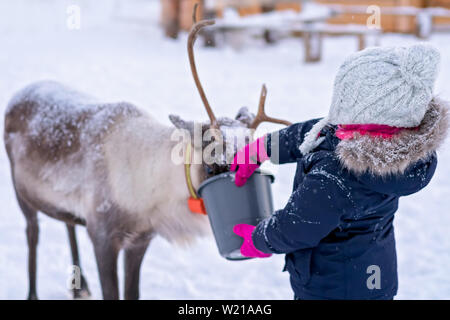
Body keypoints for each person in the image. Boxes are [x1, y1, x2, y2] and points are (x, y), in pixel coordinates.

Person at [231, 44, 448, 300]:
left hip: (332, 289)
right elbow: (318, 133)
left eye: (344, 101)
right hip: (371, 276)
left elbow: (297, 226)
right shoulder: (380, 140)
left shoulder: (338, 177)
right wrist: (265, 147)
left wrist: (260, 239)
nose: (336, 110)